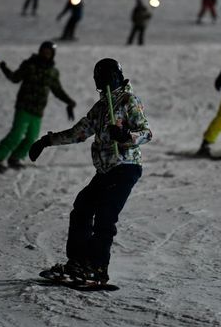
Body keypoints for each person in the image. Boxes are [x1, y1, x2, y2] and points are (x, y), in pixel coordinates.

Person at [31, 58, 152, 285]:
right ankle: (78, 262)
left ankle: (97, 268)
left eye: (108, 76)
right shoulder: (100, 108)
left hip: (125, 166)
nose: (104, 81)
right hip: (105, 170)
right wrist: (47, 141)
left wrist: (126, 137)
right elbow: (79, 132)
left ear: (118, 76)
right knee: (82, 209)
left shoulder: (128, 100)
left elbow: (146, 132)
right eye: (100, 77)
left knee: (106, 216)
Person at [0, 41, 75, 172]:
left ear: (52, 55)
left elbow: (57, 90)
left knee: (31, 138)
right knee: (16, 135)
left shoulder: (52, 72)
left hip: (38, 111)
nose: (46, 54)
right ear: (40, 51)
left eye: (49, 52)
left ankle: (15, 158)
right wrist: (4, 68)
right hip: (24, 107)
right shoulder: (30, 65)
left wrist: (69, 101)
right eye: (44, 51)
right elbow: (15, 78)